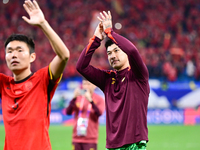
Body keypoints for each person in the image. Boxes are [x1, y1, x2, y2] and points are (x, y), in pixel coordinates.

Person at [0, 0, 70, 150]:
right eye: (9, 51)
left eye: (19, 50)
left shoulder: (42, 79)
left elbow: (64, 55)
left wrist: (43, 24)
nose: (13, 55)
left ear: (32, 57)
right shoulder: (3, 83)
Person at [76, 11, 150, 150]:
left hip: (134, 144)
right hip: (112, 145)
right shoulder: (107, 79)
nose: (112, 56)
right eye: (109, 53)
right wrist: (96, 38)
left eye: (116, 51)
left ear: (125, 52)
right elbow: (81, 67)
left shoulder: (139, 76)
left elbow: (133, 51)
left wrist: (110, 32)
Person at [66, 78, 105, 150]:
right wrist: (74, 98)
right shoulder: (78, 97)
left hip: (90, 139)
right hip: (76, 138)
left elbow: (99, 113)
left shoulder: (99, 99)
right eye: (84, 84)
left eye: (88, 84)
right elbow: (68, 112)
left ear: (94, 86)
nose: (86, 86)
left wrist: (90, 100)